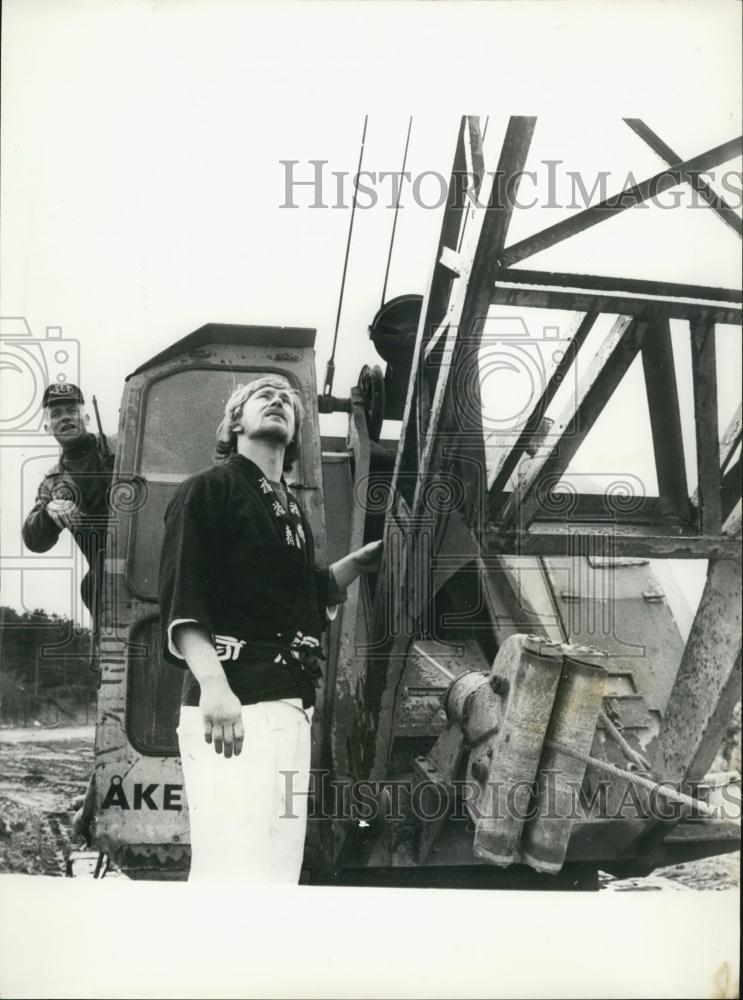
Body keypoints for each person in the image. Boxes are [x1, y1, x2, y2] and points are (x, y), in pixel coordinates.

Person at [158, 375, 381, 884]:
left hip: (285, 709)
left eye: (289, 400)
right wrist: (214, 685)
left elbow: (304, 597)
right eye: (265, 395)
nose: (280, 400)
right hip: (234, 710)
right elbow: (184, 595)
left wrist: (358, 564)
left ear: (298, 429)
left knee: (276, 868)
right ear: (236, 421)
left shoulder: (290, 509)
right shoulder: (207, 490)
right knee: (231, 869)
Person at [22, 383, 114, 619]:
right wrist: (49, 513)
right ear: (47, 427)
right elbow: (33, 540)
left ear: (86, 416)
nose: (65, 418)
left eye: (71, 411)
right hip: (107, 582)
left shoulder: (123, 446)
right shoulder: (51, 483)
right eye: (56, 414)